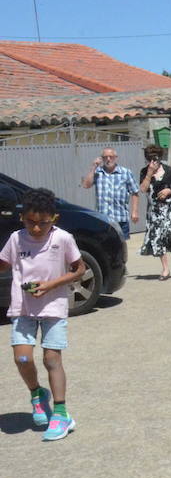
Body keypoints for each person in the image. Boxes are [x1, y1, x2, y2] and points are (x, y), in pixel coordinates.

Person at [1, 188, 85, 441]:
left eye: (43, 223)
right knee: (23, 359)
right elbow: (4, 263)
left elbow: (79, 269)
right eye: (31, 222)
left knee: (51, 359)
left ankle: (61, 413)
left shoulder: (63, 239)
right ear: (22, 218)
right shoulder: (16, 239)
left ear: (54, 219)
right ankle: (37, 393)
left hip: (53, 307)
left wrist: (51, 285)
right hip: (23, 308)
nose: (36, 229)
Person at [138, 145, 171, 280]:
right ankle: (165, 269)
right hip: (154, 212)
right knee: (157, 239)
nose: (152, 161)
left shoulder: (169, 171)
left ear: (159, 158)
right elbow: (143, 189)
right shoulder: (144, 172)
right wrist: (149, 173)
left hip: (169, 210)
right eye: (149, 158)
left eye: (154, 158)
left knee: (170, 237)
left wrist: (170, 191)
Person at [80, 147, 139, 240]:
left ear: (116, 157)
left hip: (120, 217)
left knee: (121, 246)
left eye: (111, 157)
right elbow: (86, 185)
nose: (108, 159)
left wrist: (135, 211)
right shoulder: (97, 172)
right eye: (105, 157)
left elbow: (135, 192)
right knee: (104, 246)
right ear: (102, 158)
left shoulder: (126, 172)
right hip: (102, 219)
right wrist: (93, 167)